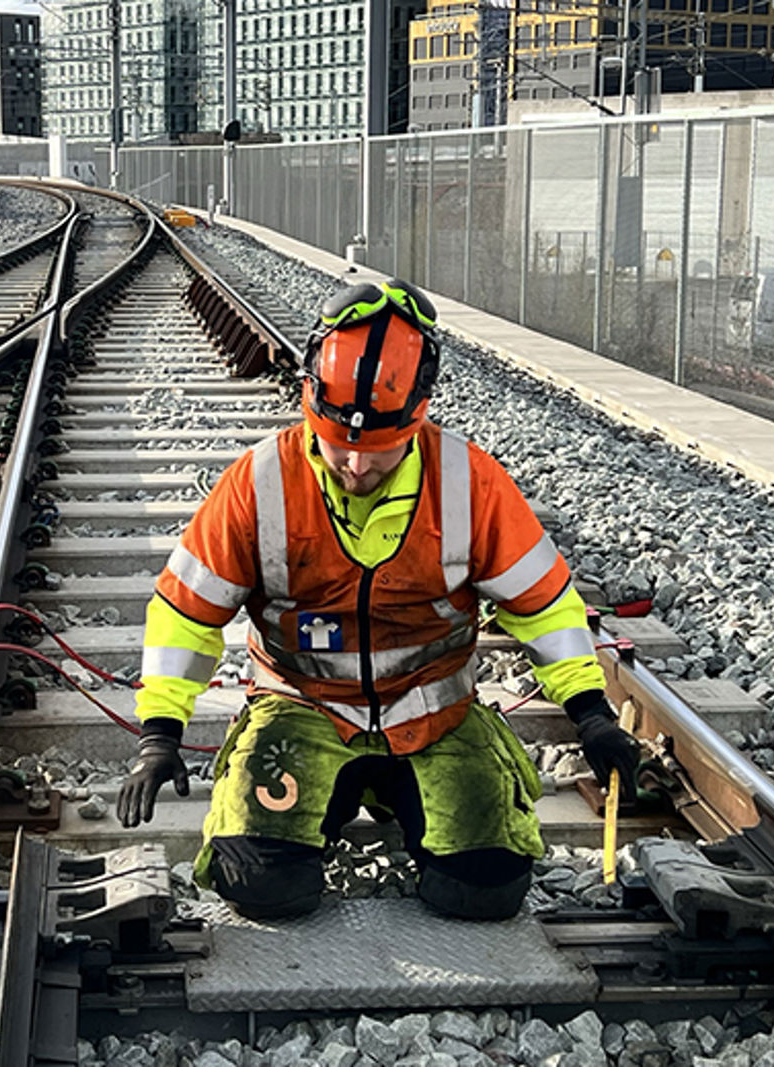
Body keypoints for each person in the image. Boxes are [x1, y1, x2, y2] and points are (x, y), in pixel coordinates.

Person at [115, 278, 640, 920]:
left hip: (435, 720)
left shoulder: (469, 483)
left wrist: (590, 712)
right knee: (257, 884)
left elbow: (545, 606)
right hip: (303, 710)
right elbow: (184, 614)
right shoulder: (258, 483)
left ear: (417, 418)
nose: (357, 468)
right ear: (310, 405)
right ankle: (329, 804)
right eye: (339, 447)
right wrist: (159, 734)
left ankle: (409, 797)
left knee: (485, 891)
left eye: (380, 454)